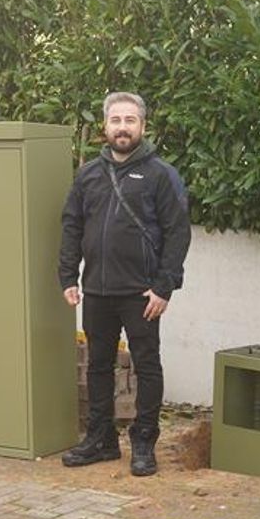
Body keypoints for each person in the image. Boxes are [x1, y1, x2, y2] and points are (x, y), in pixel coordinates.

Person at [58, 91, 192, 476]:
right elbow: (72, 226)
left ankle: (144, 442)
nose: (122, 127)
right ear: (105, 126)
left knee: (147, 366)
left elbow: (177, 233)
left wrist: (165, 286)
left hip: (142, 293)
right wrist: (68, 275)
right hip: (96, 290)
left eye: (130, 120)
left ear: (143, 126)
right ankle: (101, 440)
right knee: (99, 366)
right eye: (115, 120)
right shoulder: (88, 175)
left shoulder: (161, 175)